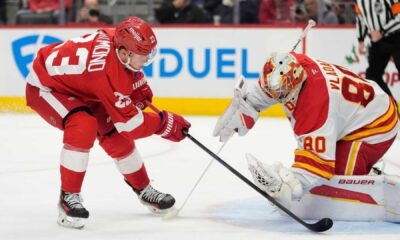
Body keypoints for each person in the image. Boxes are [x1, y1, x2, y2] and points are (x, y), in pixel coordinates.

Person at [25, 16, 191, 229]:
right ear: (124, 54)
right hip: (47, 88)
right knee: (83, 125)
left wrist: (136, 83)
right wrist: (164, 122)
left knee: (114, 136)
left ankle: (144, 189)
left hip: (83, 86)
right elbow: (132, 126)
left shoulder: (118, 37)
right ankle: (68, 198)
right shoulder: (107, 74)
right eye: (144, 56)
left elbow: (118, 72)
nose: (148, 60)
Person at [213, 52, 400, 221]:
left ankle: (370, 177)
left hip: (376, 124)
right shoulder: (295, 64)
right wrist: (250, 104)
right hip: (360, 108)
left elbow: (318, 166)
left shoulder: (314, 107)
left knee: (336, 183)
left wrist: (289, 185)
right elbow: (275, 82)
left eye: (281, 93)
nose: (277, 96)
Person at [355, 0, 400, 103]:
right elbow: (360, 18)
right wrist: (360, 39)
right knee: (372, 76)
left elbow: (399, 17)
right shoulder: (360, 1)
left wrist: (382, 31)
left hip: (397, 37)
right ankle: (391, 105)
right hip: (377, 41)